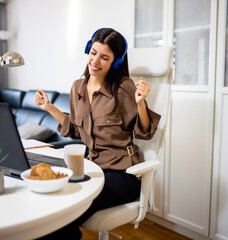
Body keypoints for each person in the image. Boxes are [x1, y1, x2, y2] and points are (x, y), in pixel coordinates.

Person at [34, 28, 161, 239]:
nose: (95, 61)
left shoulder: (123, 87)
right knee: (53, 204)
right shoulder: (78, 88)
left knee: (65, 211)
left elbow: (145, 132)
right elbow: (75, 129)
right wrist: (49, 107)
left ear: (116, 62)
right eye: (93, 52)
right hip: (92, 169)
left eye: (105, 57)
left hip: (123, 174)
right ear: (88, 50)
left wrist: (140, 104)